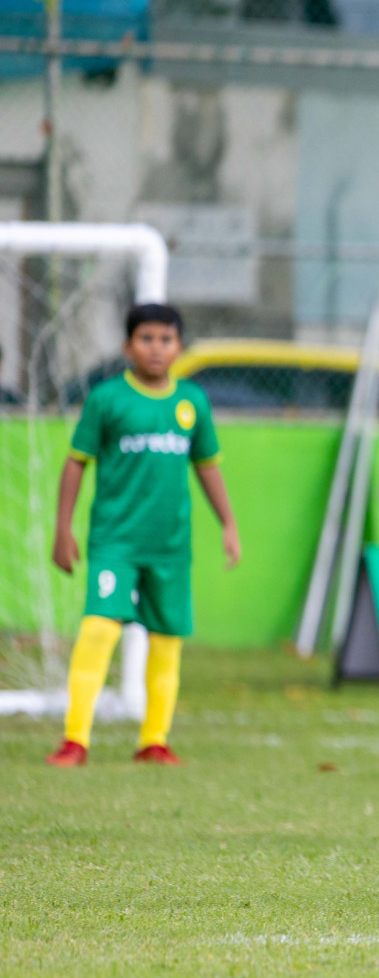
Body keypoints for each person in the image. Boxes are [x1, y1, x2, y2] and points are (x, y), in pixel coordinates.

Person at [45, 303, 241, 767]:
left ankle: (154, 739)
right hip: (115, 543)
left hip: (169, 547)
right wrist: (62, 528)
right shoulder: (107, 399)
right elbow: (77, 461)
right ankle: (76, 739)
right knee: (99, 629)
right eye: (146, 339)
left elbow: (207, 465)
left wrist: (228, 523)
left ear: (179, 346)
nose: (156, 348)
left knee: (167, 639)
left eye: (166, 339)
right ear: (127, 346)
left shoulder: (192, 402)